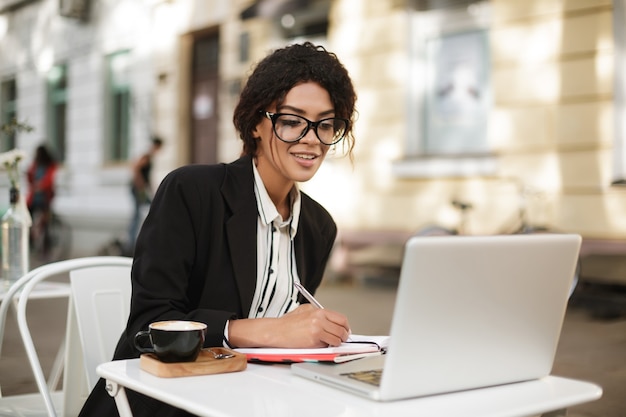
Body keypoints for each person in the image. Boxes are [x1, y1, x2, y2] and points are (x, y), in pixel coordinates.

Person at [78, 41, 357, 416]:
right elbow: (149, 325)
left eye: (326, 124)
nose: (311, 138)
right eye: (292, 121)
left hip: (253, 401)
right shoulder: (191, 192)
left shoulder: (318, 227)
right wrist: (269, 331)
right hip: (164, 402)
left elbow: (289, 346)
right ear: (257, 122)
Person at [127, 137, 163, 254]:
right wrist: (140, 185)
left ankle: (144, 238)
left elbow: (148, 177)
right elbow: (135, 168)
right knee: (137, 215)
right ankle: (130, 245)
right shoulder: (146, 156)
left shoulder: (149, 157)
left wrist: (152, 191)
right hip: (138, 190)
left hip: (141, 189)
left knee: (153, 208)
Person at [26, 144, 57, 256]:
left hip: (44, 199)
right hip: (33, 199)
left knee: (46, 224)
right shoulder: (35, 165)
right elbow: (29, 176)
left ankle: (45, 249)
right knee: (28, 220)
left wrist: (40, 185)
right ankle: (31, 242)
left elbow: (49, 180)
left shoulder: (50, 166)